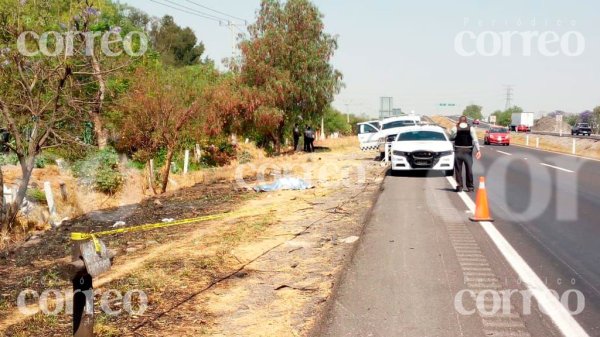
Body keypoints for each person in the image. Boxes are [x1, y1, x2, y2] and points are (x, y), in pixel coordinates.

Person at [450, 116, 481, 192]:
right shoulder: (471, 128)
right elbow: (475, 140)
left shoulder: (455, 128)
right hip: (468, 151)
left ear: (459, 121)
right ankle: (470, 187)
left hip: (458, 150)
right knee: (469, 169)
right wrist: (478, 150)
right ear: (466, 121)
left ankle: (460, 186)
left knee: (458, 170)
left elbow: (451, 138)